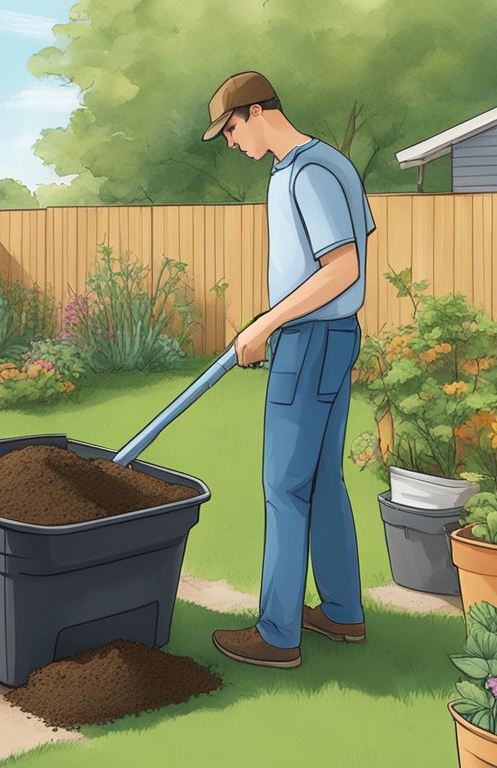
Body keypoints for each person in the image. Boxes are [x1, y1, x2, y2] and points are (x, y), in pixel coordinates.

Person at [201, 71, 376, 669]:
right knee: (322, 478)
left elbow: (343, 266)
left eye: (229, 129)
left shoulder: (309, 173)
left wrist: (265, 325)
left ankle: (277, 634)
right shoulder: (324, 165)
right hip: (330, 339)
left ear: (255, 113)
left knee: (284, 486)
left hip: (307, 342)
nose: (230, 143)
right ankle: (343, 612)